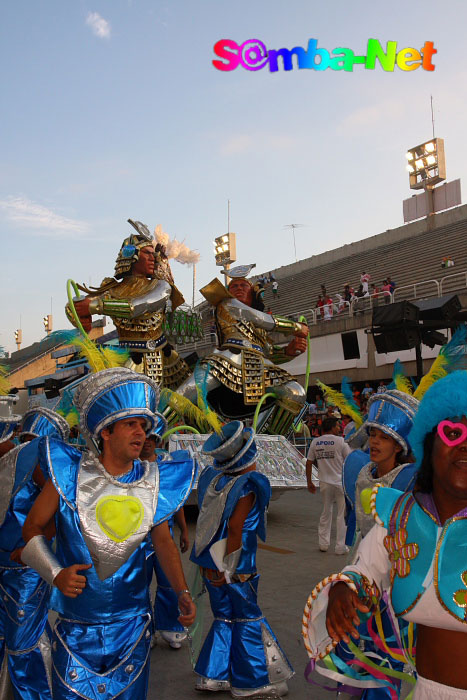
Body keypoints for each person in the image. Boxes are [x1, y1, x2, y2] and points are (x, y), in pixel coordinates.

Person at [21, 368, 197, 700]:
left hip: (132, 631)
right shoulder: (68, 476)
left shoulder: (152, 481)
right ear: (106, 432)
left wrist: (181, 591)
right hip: (74, 630)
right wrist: (55, 573)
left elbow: (163, 542)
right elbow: (31, 529)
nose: (140, 433)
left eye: (143, 426)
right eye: (131, 424)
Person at [304, 370, 467, 698]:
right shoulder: (403, 520)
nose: (465, 446)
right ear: (428, 444)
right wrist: (344, 591)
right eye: (454, 432)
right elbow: (365, 570)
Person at [191, 421, 294, 697]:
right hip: (236, 564)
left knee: (224, 617)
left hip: (209, 561)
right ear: (248, 458)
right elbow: (236, 527)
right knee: (247, 617)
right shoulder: (248, 485)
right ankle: (251, 682)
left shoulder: (213, 479)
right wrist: (230, 566)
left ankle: (213, 675)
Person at [174, 268, 308, 435]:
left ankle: (268, 439)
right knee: (185, 394)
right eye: (234, 286)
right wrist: (296, 327)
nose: (238, 288)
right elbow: (262, 319)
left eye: (244, 285)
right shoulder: (228, 304)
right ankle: (165, 432)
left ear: (252, 292)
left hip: (258, 365)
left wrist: (289, 351)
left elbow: (269, 352)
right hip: (227, 360)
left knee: (296, 393)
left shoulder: (260, 330)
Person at [67, 219, 190, 390]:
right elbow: (74, 306)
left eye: (153, 254)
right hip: (125, 358)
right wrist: (79, 314)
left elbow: (140, 306)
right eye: (147, 253)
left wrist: (94, 306)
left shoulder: (160, 286)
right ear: (131, 257)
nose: (153, 258)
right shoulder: (111, 290)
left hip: (160, 358)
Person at [0, 406, 70, 699]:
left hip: (24, 567)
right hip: (11, 563)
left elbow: (56, 514)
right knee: (15, 635)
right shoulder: (16, 456)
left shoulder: (37, 457)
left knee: (22, 639)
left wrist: (32, 546)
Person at [140, 430, 190, 650]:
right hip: (137, 538)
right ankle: (143, 631)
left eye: (153, 438)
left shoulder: (167, 466)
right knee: (137, 587)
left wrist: (184, 531)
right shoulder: (127, 467)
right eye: (145, 438)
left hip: (164, 535)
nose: (148, 442)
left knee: (169, 583)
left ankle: (171, 627)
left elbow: (176, 503)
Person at [306, 417, 351, 555]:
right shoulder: (340, 441)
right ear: (332, 427)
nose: (339, 428)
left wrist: (309, 481)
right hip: (340, 482)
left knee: (326, 512)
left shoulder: (315, 442)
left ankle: (323, 544)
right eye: (337, 425)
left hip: (324, 482)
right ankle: (340, 547)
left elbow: (308, 462)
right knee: (342, 515)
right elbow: (350, 460)